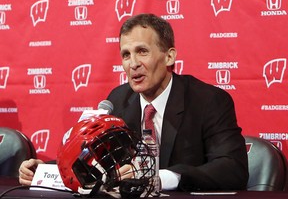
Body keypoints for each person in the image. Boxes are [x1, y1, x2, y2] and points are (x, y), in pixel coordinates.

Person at [19, 13, 249, 191]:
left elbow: (233, 168)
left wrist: (163, 178)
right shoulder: (118, 100)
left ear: (169, 56)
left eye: (142, 52)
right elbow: (90, 157)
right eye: (126, 55)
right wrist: (43, 171)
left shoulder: (209, 101)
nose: (133, 64)